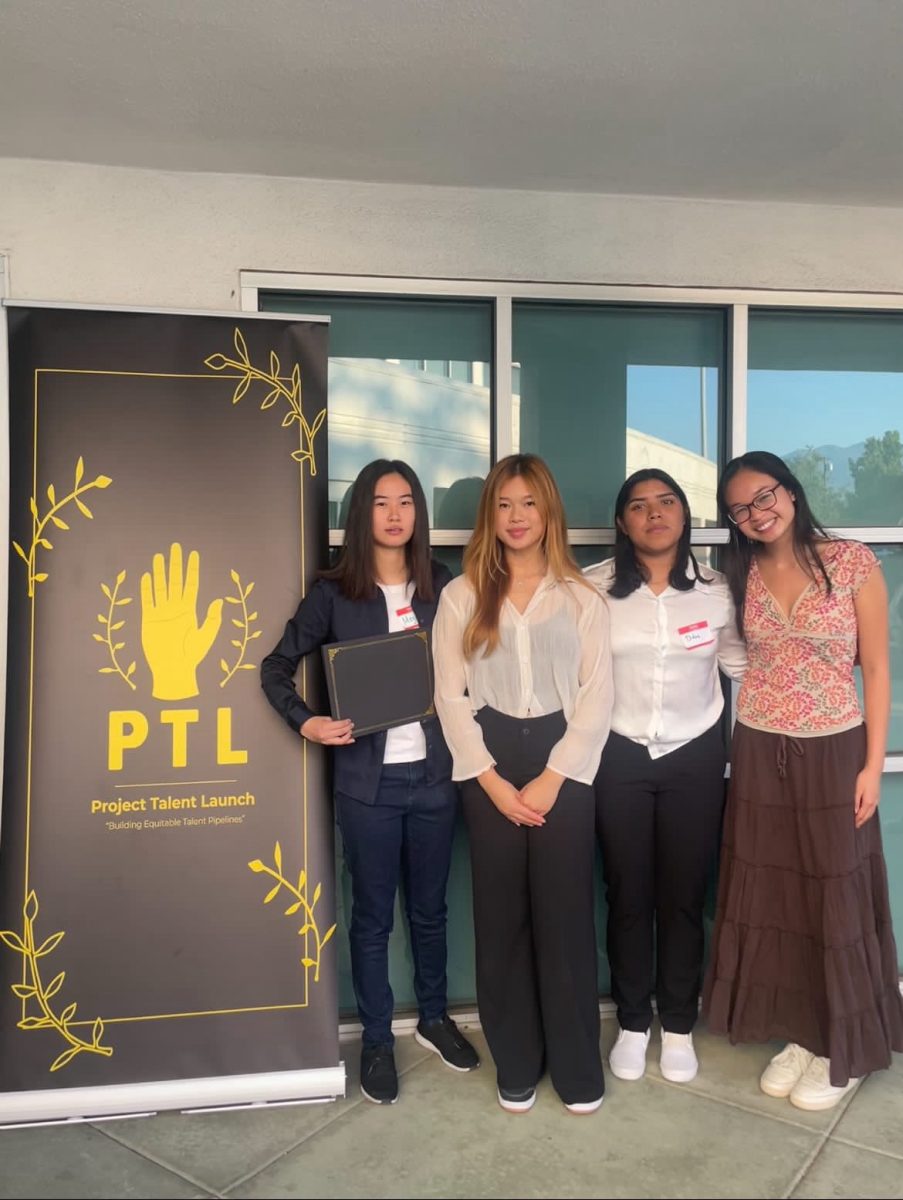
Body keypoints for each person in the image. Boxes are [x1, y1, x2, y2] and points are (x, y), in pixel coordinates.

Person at [261, 458, 479, 1106]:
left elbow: (481, 673)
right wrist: (308, 723)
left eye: (405, 501)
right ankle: (378, 1040)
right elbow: (275, 667)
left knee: (431, 912)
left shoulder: (446, 590)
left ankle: (435, 1019)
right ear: (360, 513)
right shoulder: (333, 594)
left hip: (437, 778)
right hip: (367, 787)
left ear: (418, 513)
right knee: (371, 919)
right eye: (380, 502)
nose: (393, 514)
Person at [703, 450, 903, 1111]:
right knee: (775, 896)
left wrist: (871, 766)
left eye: (764, 497)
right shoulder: (738, 572)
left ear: (789, 492)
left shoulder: (848, 562)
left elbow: (875, 669)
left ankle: (838, 1043)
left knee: (833, 892)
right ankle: (798, 1029)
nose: (756, 514)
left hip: (833, 749)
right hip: (759, 748)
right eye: (740, 508)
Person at [432, 453, 612, 1115]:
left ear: (548, 511)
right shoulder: (460, 595)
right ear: (490, 515)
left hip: (566, 761)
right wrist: (491, 781)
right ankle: (516, 1062)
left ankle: (575, 1069)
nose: (515, 517)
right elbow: (449, 698)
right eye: (504, 505)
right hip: (489, 759)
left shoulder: (581, 594)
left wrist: (553, 777)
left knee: (564, 917)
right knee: (501, 919)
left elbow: (597, 695)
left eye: (527, 504)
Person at [585, 469, 746, 1086]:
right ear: (622, 523)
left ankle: (677, 1022)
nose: (655, 514)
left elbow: (736, 662)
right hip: (618, 754)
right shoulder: (594, 590)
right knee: (627, 894)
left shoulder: (717, 589)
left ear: (684, 514)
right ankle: (632, 1021)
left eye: (667, 502)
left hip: (696, 753)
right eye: (639, 506)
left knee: (682, 896)